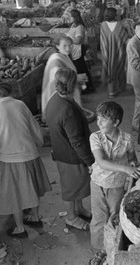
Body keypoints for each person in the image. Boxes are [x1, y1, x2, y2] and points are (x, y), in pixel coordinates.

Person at [0, 76, 51, 238]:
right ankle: (35, 217)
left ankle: (20, 228)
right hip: (30, 154)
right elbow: (34, 127)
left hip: (9, 159)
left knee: (15, 195)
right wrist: (38, 143)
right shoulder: (20, 104)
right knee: (31, 189)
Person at [89, 101, 140, 250]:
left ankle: (110, 249)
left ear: (116, 122)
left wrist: (133, 165)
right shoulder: (95, 137)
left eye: (104, 119)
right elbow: (101, 162)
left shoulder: (127, 140)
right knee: (98, 218)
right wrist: (126, 169)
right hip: (98, 183)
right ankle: (99, 250)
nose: (98, 122)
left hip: (116, 185)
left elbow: (132, 159)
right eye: (98, 117)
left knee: (114, 217)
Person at [46, 68, 95, 231]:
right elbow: (77, 142)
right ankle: (71, 217)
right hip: (70, 156)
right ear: (73, 85)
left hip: (62, 150)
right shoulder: (67, 110)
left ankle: (78, 209)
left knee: (78, 186)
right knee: (71, 189)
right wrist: (90, 161)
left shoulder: (55, 99)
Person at [41, 36, 88, 121]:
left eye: (70, 46)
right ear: (57, 46)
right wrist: (77, 78)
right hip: (58, 95)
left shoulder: (64, 56)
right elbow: (60, 78)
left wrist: (79, 77)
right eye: (64, 46)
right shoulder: (55, 59)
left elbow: (67, 73)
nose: (68, 48)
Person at [100, 7, 132, 98]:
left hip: (107, 52)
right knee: (119, 68)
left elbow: (102, 40)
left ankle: (111, 91)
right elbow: (125, 38)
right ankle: (119, 87)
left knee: (109, 68)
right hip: (119, 52)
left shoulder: (103, 25)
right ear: (115, 15)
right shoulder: (120, 25)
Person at [67, 9, 94, 92]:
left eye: (70, 17)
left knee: (80, 68)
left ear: (75, 17)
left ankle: (86, 88)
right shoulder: (73, 25)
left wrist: (67, 40)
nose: (68, 19)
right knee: (80, 68)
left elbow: (78, 40)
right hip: (74, 50)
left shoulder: (79, 27)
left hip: (78, 50)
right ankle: (85, 87)